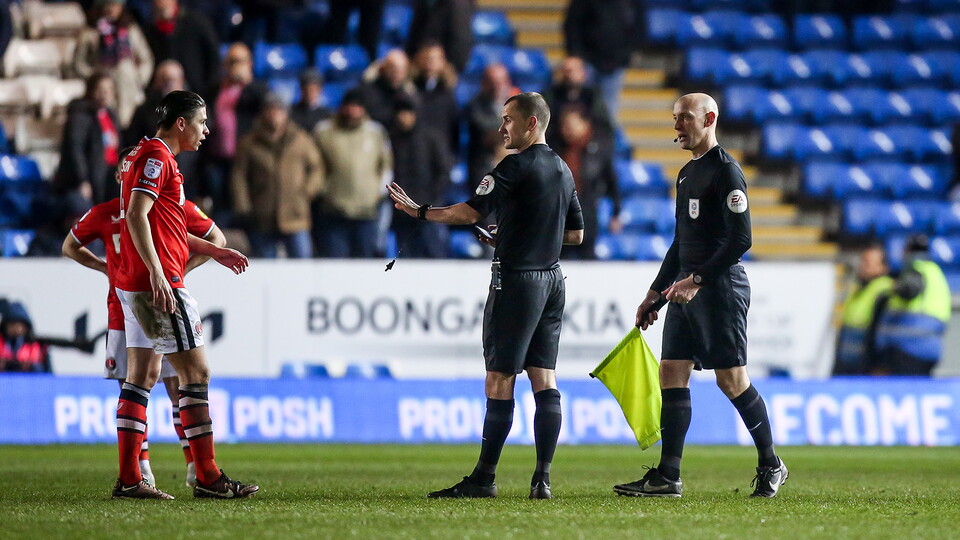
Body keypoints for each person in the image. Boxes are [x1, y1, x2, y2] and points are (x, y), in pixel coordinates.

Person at [388, 92, 584, 499]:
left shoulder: (514, 165)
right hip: (553, 280)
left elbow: (469, 212)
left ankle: (484, 478)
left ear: (531, 123)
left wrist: (418, 211)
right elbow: (576, 234)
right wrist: (516, 235)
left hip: (517, 281)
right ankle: (542, 480)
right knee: (544, 376)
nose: (501, 128)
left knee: (499, 377)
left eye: (508, 119)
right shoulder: (563, 168)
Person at [614, 93, 787, 499]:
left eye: (685, 118)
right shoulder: (687, 173)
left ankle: (771, 464)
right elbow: (681, 244)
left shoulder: (727, 172)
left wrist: (697, 279)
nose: (677, 126)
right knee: (671, 371)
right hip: (685, 289)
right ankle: (668, 476)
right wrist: (654, 295)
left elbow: (741, 240)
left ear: (709, 119)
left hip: (720, 289)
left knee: (732, 380)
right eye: (675, 118)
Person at [112, 90, 257, 499]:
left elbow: (162, 225)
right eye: (201, 122)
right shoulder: (157, 157)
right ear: (181, 123)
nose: (206, 130)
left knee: (141, 377)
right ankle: (207, 477)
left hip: (134, 282)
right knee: (196, 374)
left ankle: (129, 479)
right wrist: (159, 273)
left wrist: (214, 250)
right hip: (158, 284)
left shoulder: (143, 154)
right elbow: (137, 215)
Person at [63, 145, 226, 489]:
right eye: (128, 168)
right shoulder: (108, 212)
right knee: (148, 380)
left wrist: (180, 269)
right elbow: (69, 245)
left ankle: (185, 468)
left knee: (169, 383)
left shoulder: (165, 205)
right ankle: (146, 470)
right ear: (120, 175)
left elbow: (211, 236)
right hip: (127, 304)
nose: (133, 173)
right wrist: (105, 267)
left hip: (154, 294)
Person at [232, 93, 323, 258]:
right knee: (265, 265)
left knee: (303, 264)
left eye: (279, 110)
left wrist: (307, 192)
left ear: (286, 114)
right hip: (262, 213)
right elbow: (239, 176)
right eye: (270, 110)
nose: (274, 115)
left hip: (296, 214)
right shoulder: (249, 143)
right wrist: (243, 205)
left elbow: (316, 168)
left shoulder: (301, 139)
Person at [312, 89, 393, 258]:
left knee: (364, 263)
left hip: (366, 211)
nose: (352, 111)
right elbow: (314, 165)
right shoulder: (324, 131)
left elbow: (386, 165)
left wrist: (378, 192)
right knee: (335, 262)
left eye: (357, 106)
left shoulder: (375, 132)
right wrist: (322, 190)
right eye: (349, 106)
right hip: (334, 210)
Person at [203, 42, 267, 222]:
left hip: (245, 160)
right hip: (217, 159)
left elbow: (267, 108)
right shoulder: (215, 89)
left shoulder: (256, 89)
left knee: (243, 209)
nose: (234, 66)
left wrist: (248, 82)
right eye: (231, 61)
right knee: (220, 210)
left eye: (239, 61)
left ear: (249, 63)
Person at [872, 234, 951, 376]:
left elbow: (910, 288)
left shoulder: (916, 270)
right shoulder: (935, 272)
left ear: (906, 251)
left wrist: (894, 287)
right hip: (929, 348)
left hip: (908, 348)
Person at [388, 94, 454, 258]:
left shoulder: (431, 138)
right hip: (403, 211)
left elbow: (444, 171)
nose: (403, 117)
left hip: (429, 210)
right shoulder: (392, 139)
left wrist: (429, 200)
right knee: (405, 258)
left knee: (434, 255)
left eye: (407, 113)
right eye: (400, 113)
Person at [554, 108, 621, 260]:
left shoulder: (598, 150)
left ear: (585, 124)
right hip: (559, 217)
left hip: (587, 216)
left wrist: (616, 213)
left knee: (587, 258)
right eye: (564, 126)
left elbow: (612, 183)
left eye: (571, 125)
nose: (567, 130)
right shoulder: (556, 149)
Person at [74, 0, 154, 127]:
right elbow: (79, 62)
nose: (110, 9)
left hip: (128, 85)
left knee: (131, 121)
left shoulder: (130, 30)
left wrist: (139, 77)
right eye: (107, 5)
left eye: (114, 5)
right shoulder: (90, 32)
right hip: (104, 84)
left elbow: (145, 59)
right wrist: (93, 78)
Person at [563, 0, 642, 123]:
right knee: (582, 108)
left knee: (608, 110)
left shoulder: (628, 3)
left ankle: (606, 134)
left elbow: (637, 25)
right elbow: (572, 24)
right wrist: (575, 55)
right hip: (586, 61)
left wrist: (628, 53)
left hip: (614, 62)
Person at [53, 72, 121, 206]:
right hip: (92, 177)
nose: (105, 94)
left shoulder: (111, 115)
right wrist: (82, 180)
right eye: (100, 89)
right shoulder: (81, 116)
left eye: (109, 89)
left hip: (110, 175)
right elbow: (75, 149)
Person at [833, 243, 893, 375]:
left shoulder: (885, 289)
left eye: (868, 263)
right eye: (862, 261)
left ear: (883, 267)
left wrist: (880, 364)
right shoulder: (859, 287)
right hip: (847, 360)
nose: (863, 266)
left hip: (866, 364)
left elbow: (882, 332)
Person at [141, 0, 220, 98]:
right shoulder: (148, 31)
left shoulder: (196, 23)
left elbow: (213, 58)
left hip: (196, 92)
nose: (161, 3)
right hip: (162, 97)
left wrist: (207, 92)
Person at [465, 64, 519, 193]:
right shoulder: (475, 106)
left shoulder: (518, 105)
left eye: (501, 81)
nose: (497, 86)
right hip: (485, 170)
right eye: (492, 82)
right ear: (483, 84)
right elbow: (484, 128)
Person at [541, 56, 612, 149]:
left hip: (589, 147)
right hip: (557, 145)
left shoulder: (592, 96)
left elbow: (604, 123)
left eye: (574, 70)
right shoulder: (551, 96)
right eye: (566, 71)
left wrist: (584, 127)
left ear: (583, 73)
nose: (569, 75)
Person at [411, 42, 460, 155]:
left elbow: (453, 129)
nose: (430, 62)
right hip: (416, 152)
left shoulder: (447, 94)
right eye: (427, 58)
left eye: (435, 59)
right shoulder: (411, 89)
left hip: (440, 153)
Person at [355, 49, 418, 130]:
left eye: (401, 70)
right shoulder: (366, 92)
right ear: (383, 69)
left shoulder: (409, 94)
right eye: (393, 68)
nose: (396, 74)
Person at [405, 0, 473, 74]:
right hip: (420, 66)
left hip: (445, 70)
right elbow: (415, 36)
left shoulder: (458, 5)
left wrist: (447, 68)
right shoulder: (423, 4)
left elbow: (461, 41)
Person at [0, 301, 50, 373]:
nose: (15, 328)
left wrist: (31, 367)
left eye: (19, 325)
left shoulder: (37, 346)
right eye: (12, 324)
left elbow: (48, 373)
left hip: (29, 379)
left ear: (26, 327)